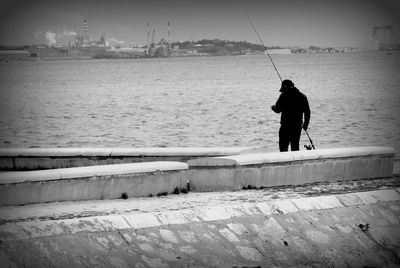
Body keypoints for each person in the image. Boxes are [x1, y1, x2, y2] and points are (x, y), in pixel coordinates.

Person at [271, 79, 310, 152]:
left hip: (285, 126)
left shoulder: (284, 95)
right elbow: (307, 112)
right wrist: (305, 125)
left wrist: (273, 107)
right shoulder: (302, 96)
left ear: (285, 86)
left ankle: (284, 161)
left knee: (283, 147)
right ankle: (295, 162)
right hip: (297, 126)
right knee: (295, 146)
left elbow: (277, 109)